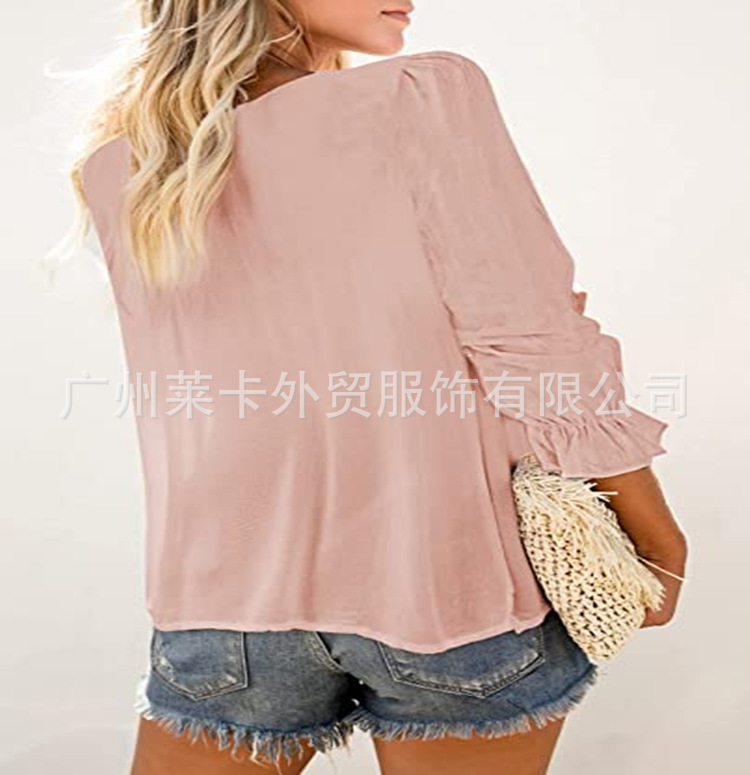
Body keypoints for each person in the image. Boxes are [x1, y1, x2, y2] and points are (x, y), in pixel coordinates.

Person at [64, 1, 688, 773]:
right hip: (446, 583)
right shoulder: (416, 96)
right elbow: (534, 338)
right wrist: (652, 526)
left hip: (222, 610)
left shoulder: (124, 167)